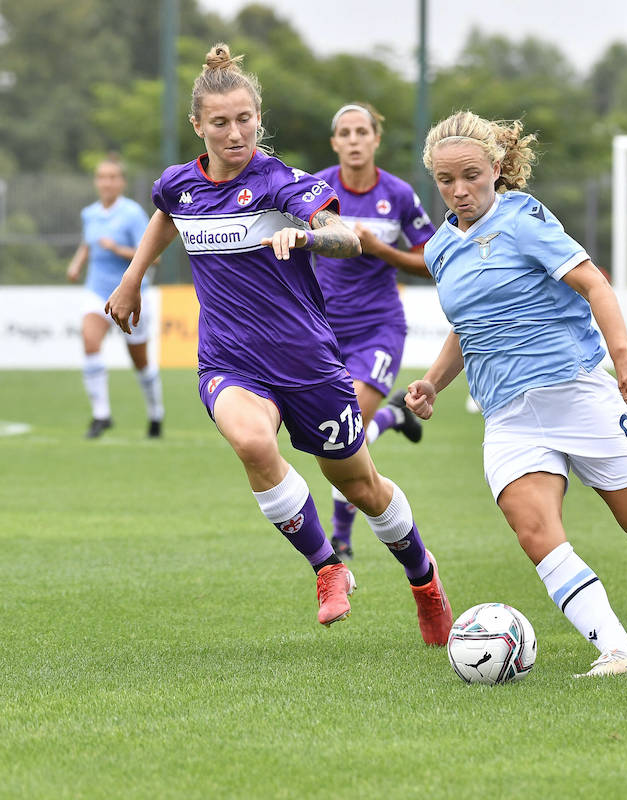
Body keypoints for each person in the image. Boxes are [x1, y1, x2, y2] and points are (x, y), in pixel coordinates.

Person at [105, 44, 452, 641]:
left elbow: (343, 235)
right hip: (230, 361)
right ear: (198, 126)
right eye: (220, 122)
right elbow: (166, 213)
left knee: (362, 487)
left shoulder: (280, 182)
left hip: (310, 364)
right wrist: (133, 278)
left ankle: (424, 579)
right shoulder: (179, 184)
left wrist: (310, 238)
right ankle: (327, 566)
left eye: (245, 119)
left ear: (258, 119)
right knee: (250, 441)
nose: (235, 132)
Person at [404, 110, 627, 677]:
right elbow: (468, 325)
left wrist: (624, 361)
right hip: (508, 417)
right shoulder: (439, 250)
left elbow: (593, 282)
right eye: (446, 181)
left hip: (577, 393)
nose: (459, 191)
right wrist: (432, 380)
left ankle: (605, 468)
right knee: (534, 530)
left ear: (496, 168)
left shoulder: (525, 220)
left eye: (471, 176)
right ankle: (620, 653)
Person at [314, 101, 433, 559]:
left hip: (378, 328)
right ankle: (395, 415)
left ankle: (340, 536)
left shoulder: (398, 194)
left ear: (375, 139)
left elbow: (427, 260)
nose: (354, 140)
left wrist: (378, 248)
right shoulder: (317, 189)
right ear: (335, 143)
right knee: (335, 435)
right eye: (344, 133)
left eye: (362, 131)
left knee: (351, 427)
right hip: (322, 329)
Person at [66, 155, 164, 439]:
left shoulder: (133, 214)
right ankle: (101, 415)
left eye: (112, 177)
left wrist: (118, 249)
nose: (106, 182)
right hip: (96, 291)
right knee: (89, 340)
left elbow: (153, 258)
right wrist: (76, 264)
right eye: (101, 177)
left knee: (140, 362)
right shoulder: (90, 213)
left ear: (121, 182)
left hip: (131, 296)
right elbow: (88, 243)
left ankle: (156, 413)